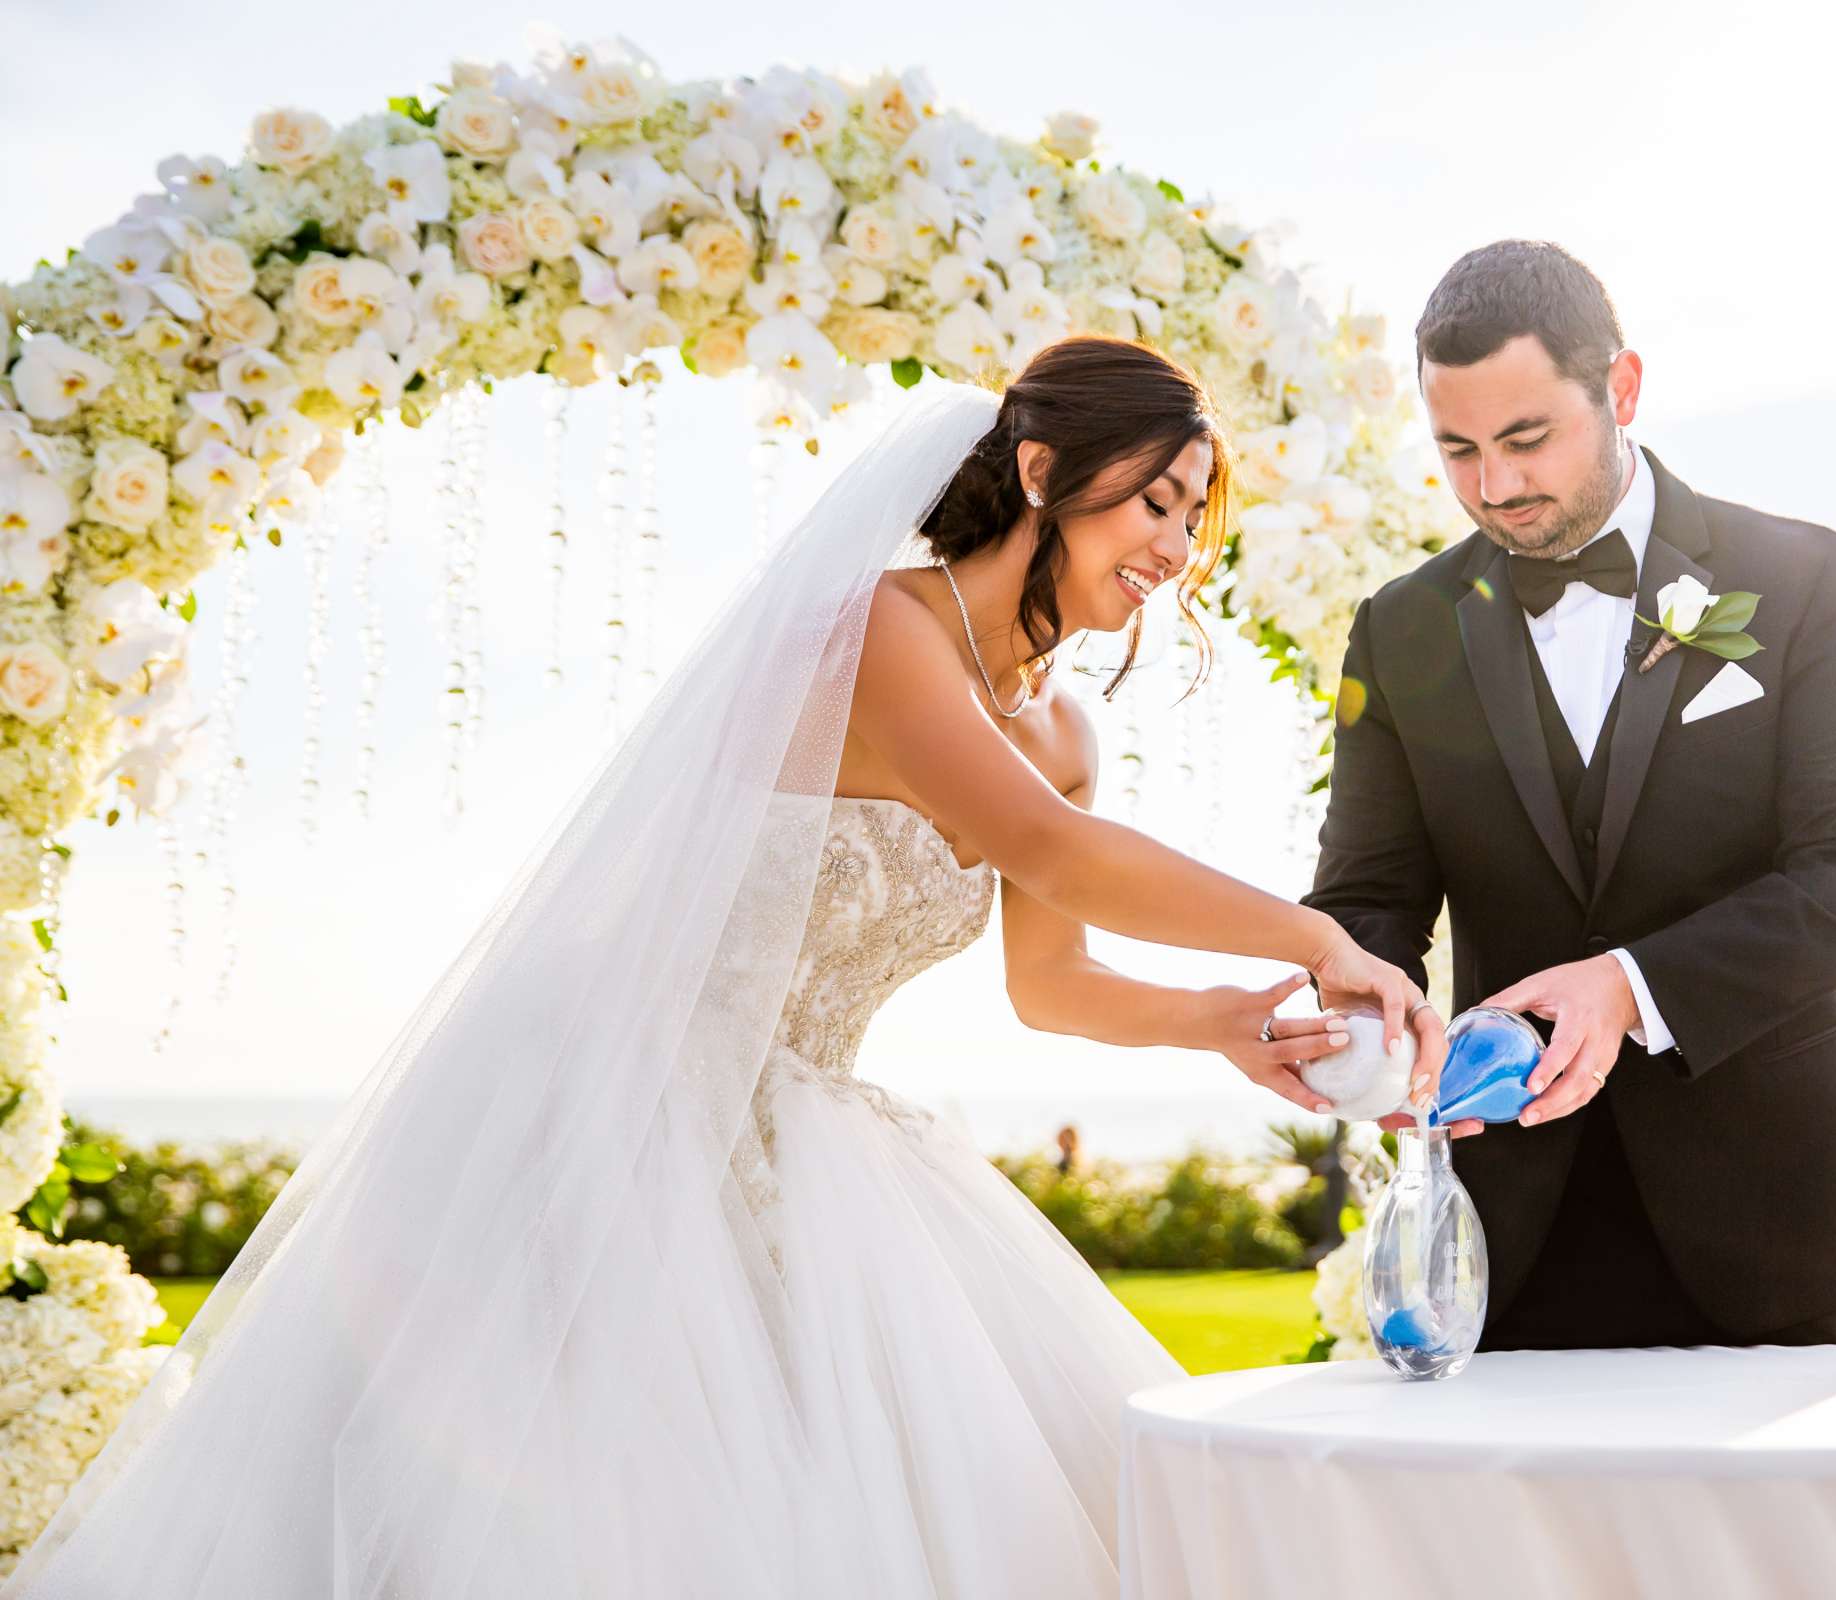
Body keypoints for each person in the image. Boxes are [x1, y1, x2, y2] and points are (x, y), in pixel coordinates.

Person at [5, 336, 1443, 1599]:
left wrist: (1221, 1023)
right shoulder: (886, 629)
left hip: (810, 1129)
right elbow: (1046, 849)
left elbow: (1049, 981)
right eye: (1154, 501)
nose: (1177, 548)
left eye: (1196, 518)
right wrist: (1321, 936)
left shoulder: (1060, 727)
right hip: (611, 1116)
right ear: (1043, 466)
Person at [1307, 241, 1836, 1352]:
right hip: (1518, 1237)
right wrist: (1367, 1020)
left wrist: (1632, 987)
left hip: (1785, 1221)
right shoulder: (1397, 632)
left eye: (1525, 438)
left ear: (1622, 388)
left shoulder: (1801, 583)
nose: (1491, 487)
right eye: (1456, 450)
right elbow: (1369, 896)